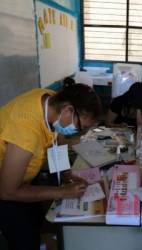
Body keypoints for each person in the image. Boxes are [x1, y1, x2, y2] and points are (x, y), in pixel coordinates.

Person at [0, 79, 102, 250]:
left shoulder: (51, 103)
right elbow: (7, 191)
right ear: (68, 110)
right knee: (23, 237)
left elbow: (58, 139)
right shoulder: (26, 129)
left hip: (22, 178)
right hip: (5, 187)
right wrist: (62, 192)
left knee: (37, 218)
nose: (78, 132)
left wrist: (66, 173)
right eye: (80, 128)